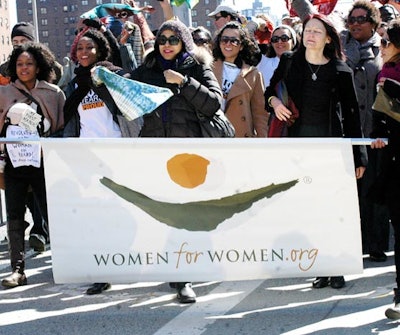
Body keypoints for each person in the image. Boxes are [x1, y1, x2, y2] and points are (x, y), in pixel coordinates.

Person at [265, 14, 367, 289]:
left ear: (328, 38)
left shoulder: (340, 69)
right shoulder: (289, 62)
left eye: (316, 31)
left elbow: (351, 116)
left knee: (332, 209)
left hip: (330, 148)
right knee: (309, 209)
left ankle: (336, 267)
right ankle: (321, 266)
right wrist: (274, 102)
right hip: (297, 147)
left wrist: (359, 155)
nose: (310, 35)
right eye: (307, 30)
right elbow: (269, 92)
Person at [130, 19, 223, 302]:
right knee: (165, 212)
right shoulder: (146, 70)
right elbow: (123, 98)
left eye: (173, 39)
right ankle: (176, 269)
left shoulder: (196, 67)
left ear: (184, 41)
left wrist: (184, 82)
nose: (167, 45)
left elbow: (214, 103)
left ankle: (183, 277)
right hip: (156, 152)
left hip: (188, 154)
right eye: (162, 40)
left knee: (183, 214)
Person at [63, 28, 139, 296]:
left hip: (117, 151)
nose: (84, 52)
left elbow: (127, 106)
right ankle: (103, 272)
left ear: (100, 50)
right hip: (88, 156)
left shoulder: (113, 75)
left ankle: (127, 258)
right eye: (80, 48)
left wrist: (103, 82)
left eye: (89, 47)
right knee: (97, 214)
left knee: (123, 210)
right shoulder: (75, 83)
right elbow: (67, 117)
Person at [0, 42, 65, 288]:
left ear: (39, 66)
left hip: (43, 163)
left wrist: (40, 127)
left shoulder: (53, 93)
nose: (24, 68)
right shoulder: (3, 93)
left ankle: (65, 262)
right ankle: (17, 270)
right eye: (19, 64)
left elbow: (60, 129)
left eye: (29, 64)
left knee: (52, 213)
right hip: (14, 164)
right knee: (15, 217)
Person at [370, 18, 400, 320]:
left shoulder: (391, 79)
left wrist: (395, 89)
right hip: (393, 166)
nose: (383, 48)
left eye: (387, 42)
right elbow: (380, 116)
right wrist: (378, 136)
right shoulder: (384, 73)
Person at [212, 21, 267, 138]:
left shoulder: (253, 75)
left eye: (234, 41)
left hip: (240, 136)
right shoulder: (208, 68)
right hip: (213, 135)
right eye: (224, 39)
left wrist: (263, 143)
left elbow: (260, 113)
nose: (228, 44)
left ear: (242, 45)